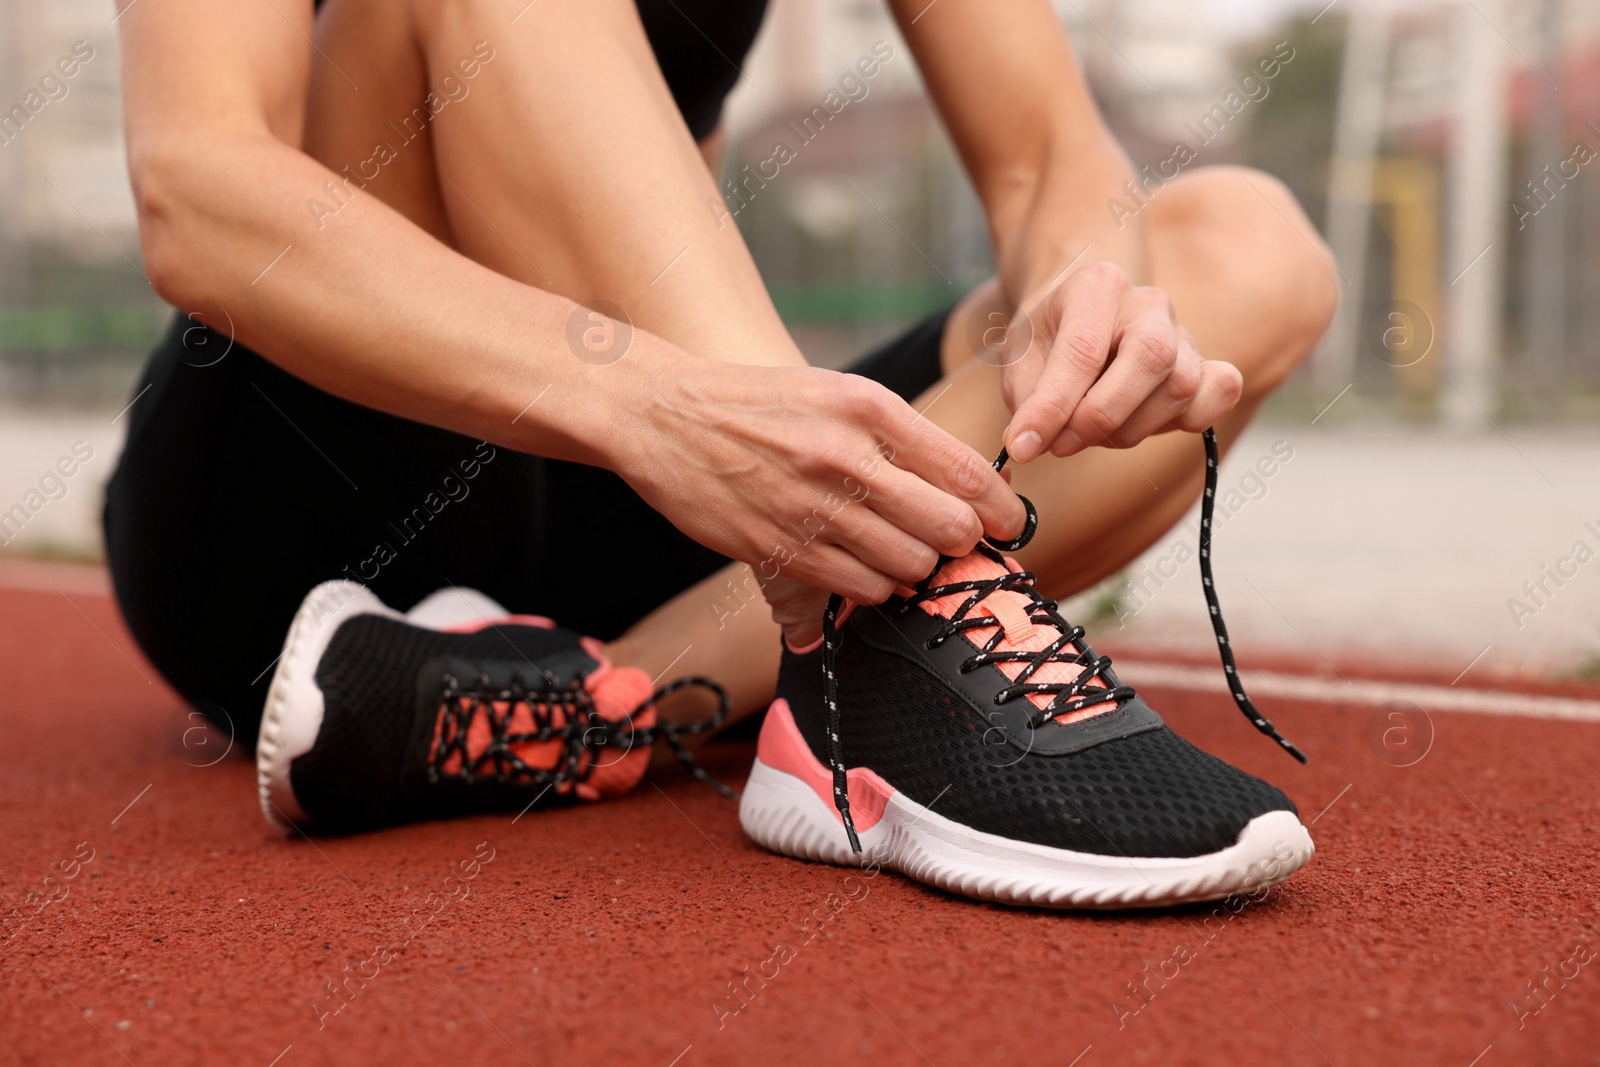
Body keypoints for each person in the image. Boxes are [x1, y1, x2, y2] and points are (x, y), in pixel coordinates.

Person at [107, 0, 1337, 907]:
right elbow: (198, 189)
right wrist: (659, 406)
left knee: (1245, 249)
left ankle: (626, 698)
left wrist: (1083, 286)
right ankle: (888, 591)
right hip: (318, 491)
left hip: (661, 518)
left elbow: (1041, 155)